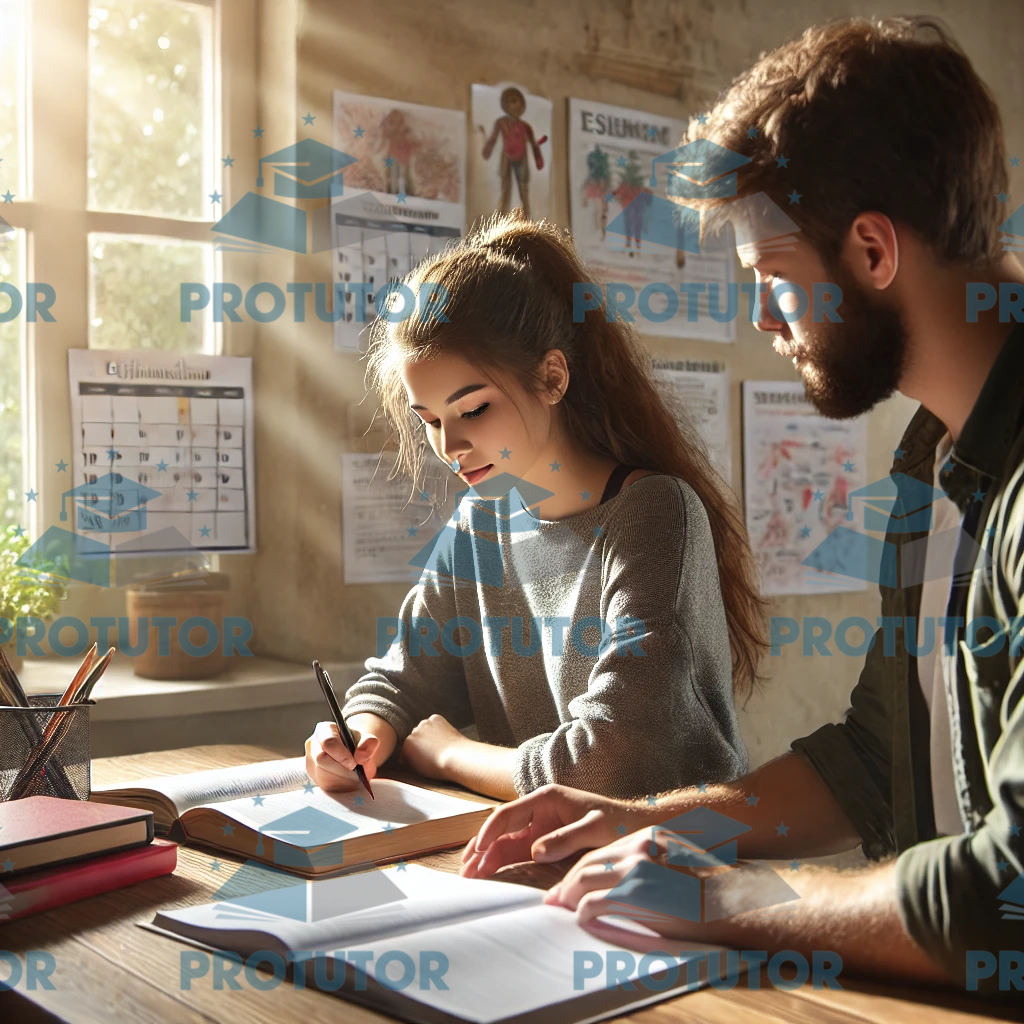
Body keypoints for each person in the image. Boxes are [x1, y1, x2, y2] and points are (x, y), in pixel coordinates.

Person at [459, 16, 1024, 996]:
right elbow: (872, 759)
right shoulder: (929, 466)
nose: (762, 318)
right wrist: (653, 826)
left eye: (772, 279)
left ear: (872, 250)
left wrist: (726, 902)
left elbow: (1006, 890)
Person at [305, 211, 767, 802]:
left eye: (473, 410)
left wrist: (452, 754)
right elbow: (404, 681)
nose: (450, 446)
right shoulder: (481, 522)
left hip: (672, 865)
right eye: (431, 421)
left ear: (551, 378)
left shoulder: (655, 515)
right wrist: (356, 736)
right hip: (547, 856)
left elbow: (611, 763)